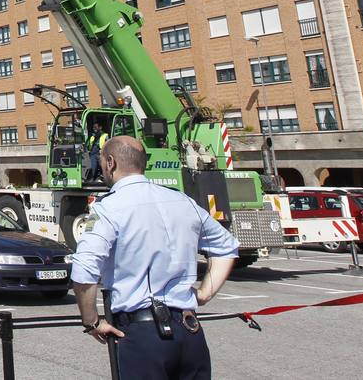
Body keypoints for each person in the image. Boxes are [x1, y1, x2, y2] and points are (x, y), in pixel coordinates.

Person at [70, 136, 239, 379]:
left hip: (143, 335)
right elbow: (226, 246)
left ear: (110, 162)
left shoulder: (106, 208)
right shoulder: (182, 201)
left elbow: (84, 268)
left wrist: (92, 322)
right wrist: (204, 293)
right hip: (190, 330)